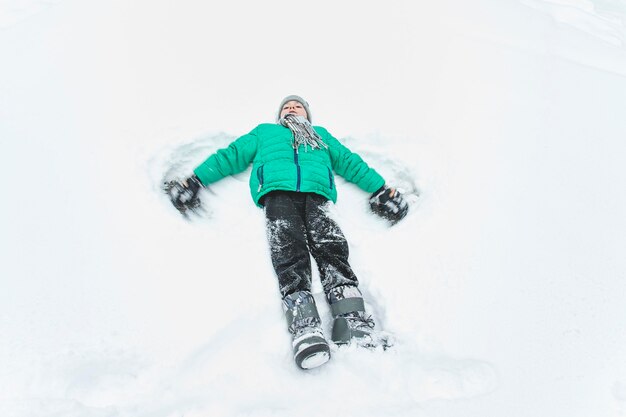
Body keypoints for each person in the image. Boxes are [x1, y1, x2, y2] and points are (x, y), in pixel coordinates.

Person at [166, 95, 408, 370]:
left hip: (318, 195)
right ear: (279, 115)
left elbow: (350, 163)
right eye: (287, 106)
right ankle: (305, 328)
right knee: (288, 251)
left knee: (332, 248)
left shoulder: (320, 136)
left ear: (307, 114)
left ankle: (351, 320)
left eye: (298, 106)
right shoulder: (265, 133)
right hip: (277, 194)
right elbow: (230, 156)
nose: (292, 108)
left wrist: (379, 189)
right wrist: (196, 180)